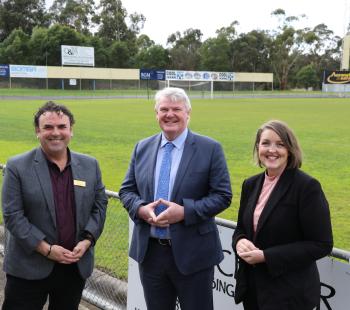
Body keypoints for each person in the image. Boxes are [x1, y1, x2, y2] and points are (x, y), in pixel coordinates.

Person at [119, 87, 232, 310]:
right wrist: (141, 209)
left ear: (188, 113)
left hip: (194, 254)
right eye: (164, 109)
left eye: (176, 109)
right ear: (156, 114)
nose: (170, 114)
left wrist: (184, 212)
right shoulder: (142, 147)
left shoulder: (209, 148)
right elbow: (126, 191)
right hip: (151, 255)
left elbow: (222, 196)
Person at [1, 101, 108, 310]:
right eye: (48, 127)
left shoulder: (90, 165)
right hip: (29, 268)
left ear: (71, 131)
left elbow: (100, 205)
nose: (55, 133)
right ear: (37, 132)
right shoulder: (17, 166)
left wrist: (87, 240)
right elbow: (13, 215)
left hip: (73, 267)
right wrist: (47, 249)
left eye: (62, 127)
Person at [232, 120, 333, 310]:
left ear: (290, 149)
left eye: (280, 144)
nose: (272, 150)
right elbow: (241, 228)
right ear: (257, 147)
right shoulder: (250, 184)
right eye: (266, 143)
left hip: (289, 295)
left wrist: (266, 256)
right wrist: (239, 241)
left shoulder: (306, 187)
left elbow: (322, 244)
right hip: (253, 291)